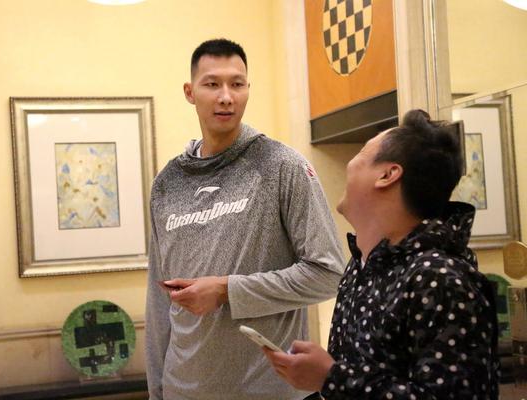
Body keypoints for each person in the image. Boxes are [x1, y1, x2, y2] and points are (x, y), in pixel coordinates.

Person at [145, 38, 345, 400]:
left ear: (248, 89)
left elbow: (328, 274)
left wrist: (227, 290)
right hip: (181, 390)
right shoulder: (166, 183)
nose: (226, 97)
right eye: (212, 84)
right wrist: (157, 390)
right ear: (190, 92)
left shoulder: (283, 166)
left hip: (266, 391)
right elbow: (160, 303)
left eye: (237, 84)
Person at [264, 110, 500, 399]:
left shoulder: (443, 279)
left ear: (387, 175)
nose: (350, 164)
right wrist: (321, 376)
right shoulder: (361, 265)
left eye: (362, 153)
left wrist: (330, 377)